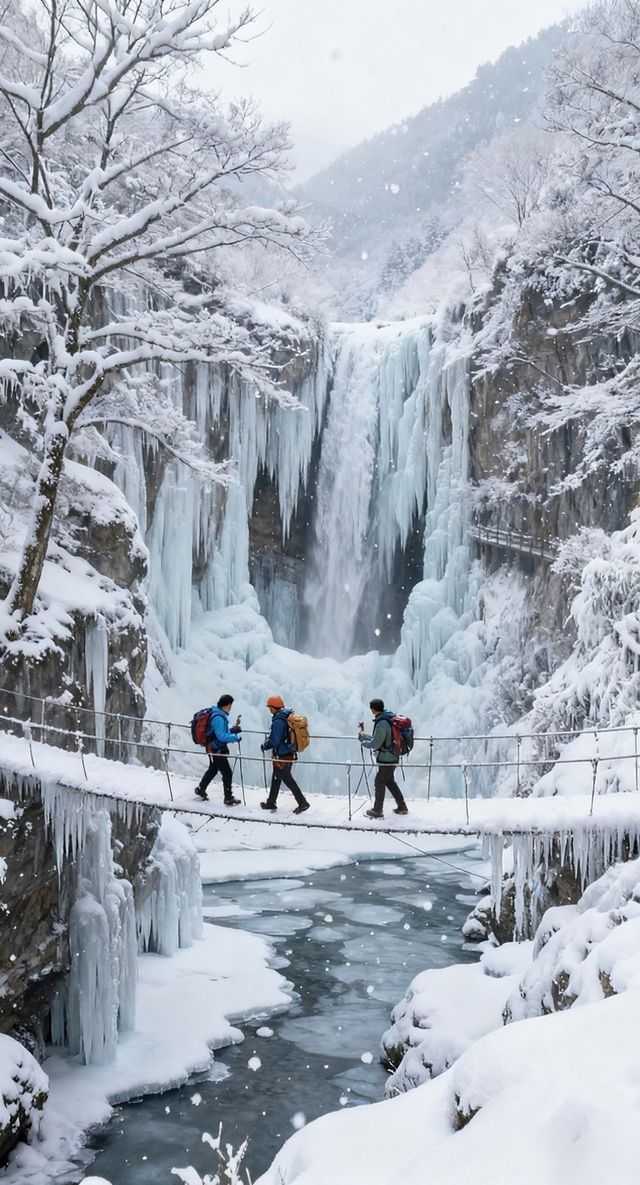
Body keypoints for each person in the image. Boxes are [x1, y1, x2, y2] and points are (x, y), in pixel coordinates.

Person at [358, 699, 408, 819]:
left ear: (373, 709)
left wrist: (363, 743)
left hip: (387, 758)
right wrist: (364, 737)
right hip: (393, 755)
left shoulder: (382, 723)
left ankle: (377, 810)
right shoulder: (388, 719)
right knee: (389, 782)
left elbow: (376, 743)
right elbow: (381, 740)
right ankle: (402, 807)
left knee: (379, 781)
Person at [260, 695, 310, 814]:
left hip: (282, 754)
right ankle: (271, 802)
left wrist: (265, 745)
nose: (269, 710)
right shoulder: (287, 716)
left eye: (269, 708)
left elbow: (275, 740)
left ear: (273, 708)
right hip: (289, 752)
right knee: (277, 777)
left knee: (287, 779)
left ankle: (303, 803)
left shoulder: (278, 721)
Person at [195, 694, 242, 805]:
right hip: (217, 749)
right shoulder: (219, 718)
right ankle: (228, 797)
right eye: (230, 705)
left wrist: (232, 730)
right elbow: (221, 736)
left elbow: (219, 732)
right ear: (227, 705)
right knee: (227, 773)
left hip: (213, 747)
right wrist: (235, 737)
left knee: (213, 769)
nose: (231, 707)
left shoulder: (217, 714)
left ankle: (201, 789)